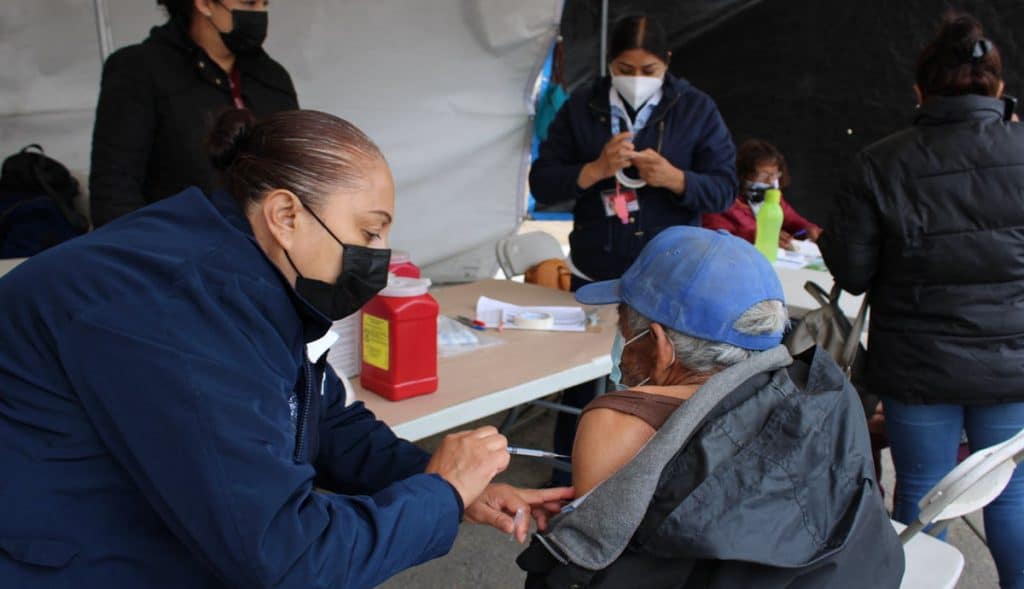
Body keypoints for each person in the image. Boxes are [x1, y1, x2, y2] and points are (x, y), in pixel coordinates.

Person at [0, 108, 572, 588]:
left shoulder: (238, 267)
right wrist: (440, 495)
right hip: (70, 555)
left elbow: (316, 411)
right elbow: (287, 555)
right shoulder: (181, 307)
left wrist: (444, 482)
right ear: (285, 215)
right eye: (370, 231)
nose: (380, 252)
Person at [516, 227, 904, 587]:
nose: (619, 337)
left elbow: (587, 558)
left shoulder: (619, 421)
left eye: (623, 322)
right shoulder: (824, 393)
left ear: (660, 345)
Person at [819, 13, 1024, 589]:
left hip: (917, 367)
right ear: (999, 88)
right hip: (1013, 366)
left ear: (919, 90)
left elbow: (853, 275)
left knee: (923, 493)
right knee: (1012, 498)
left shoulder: (881, 162)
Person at [530, 15, 737, 481]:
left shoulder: (696, 109)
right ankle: (571, 472)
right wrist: (594, 170)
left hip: (668, 273)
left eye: (648, 69)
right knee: (582, 377)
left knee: (663, 374)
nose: (637, 79)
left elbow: (725, 189)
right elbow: (541, 180)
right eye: (626, 67)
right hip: (596, 266)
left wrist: (676, 179)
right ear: (610, 63)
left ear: (666, 63)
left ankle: (651, 476)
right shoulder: (583, 105)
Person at [89, 0, 298, 227]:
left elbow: (298, 170)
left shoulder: (273, 78)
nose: (260, 14)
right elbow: (114, 190)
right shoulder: (138, 70)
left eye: (264, 5)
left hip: (268, 248)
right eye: (249, 3)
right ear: (205, 4)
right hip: (182, 249)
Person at [702, 139, 820, 248]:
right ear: (743, 175)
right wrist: (757, 236)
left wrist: (807, 229)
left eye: (774, 175)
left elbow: (793, 221)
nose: (770, 181)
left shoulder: (773, 199)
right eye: (763, 175)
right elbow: (714, 240)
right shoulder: (722, 200)